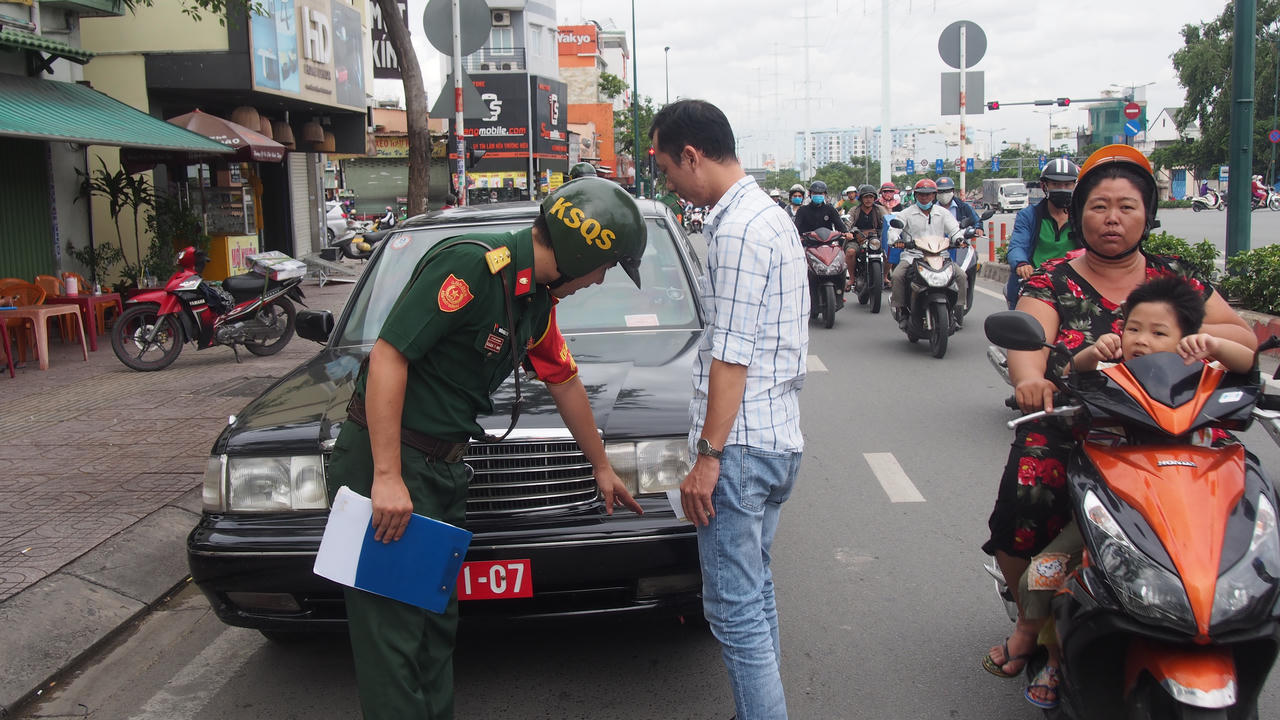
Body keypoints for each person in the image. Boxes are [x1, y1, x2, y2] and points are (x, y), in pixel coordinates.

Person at [327, 177, 648, 720]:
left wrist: (601, 467)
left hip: (440, 471)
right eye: (605, 267)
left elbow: (564, 380)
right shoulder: (473, 267)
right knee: (393, 640)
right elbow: (388, 357)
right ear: (581, 251)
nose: (599, 281)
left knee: (433, 630)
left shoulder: (534, 302)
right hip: (391, 464)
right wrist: (386, 476)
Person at [980, 144, 1257, 710]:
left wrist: (1209, 342)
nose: (1112, 218)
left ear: (1146, 214)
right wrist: (1031, 379)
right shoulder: (1053, 278)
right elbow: (1030, 340)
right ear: (1079, 213)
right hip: (1078, 426)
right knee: (1027, 496)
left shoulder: (1175, 279)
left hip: (1174, 431)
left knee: (1236, 501)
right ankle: (1035, 628)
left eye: (1127, 206)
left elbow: (1242, 337)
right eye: (1099, 206)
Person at [650, 99, 808, 720]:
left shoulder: (738, 230)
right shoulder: (767, 215)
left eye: (667, 169)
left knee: (733, 610)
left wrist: (707, 458)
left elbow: (732, 355)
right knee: (755, 590)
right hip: (776, 438)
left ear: (692, 156)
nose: (668, 183)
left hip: (740, 448)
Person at [888, 178, 966, 326]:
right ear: (916, 195)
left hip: (940, 256)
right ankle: (902, 311)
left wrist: (959, 240)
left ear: (934, 195)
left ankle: (957, 310)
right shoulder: (906, 213)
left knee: (961, 276)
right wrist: (896, 240)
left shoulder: (942, 213)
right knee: (897, 276)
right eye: (921, 194)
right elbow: (893, 230)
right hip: (913, 256)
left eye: (928, 194)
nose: (925, 197)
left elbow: (954, 230)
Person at [1004, 158, 1079, 309]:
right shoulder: (1028, 216)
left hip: (1073, 286)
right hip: (1036, 283)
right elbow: (1017, 246)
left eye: (1067, 184)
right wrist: (1022, 264)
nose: (1062, 189)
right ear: (1044, 186)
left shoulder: (1082, 217)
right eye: (1056, 184)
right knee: (1021, 322)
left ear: (1075, 186)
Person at [843, 184, 886, 288]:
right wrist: (849, 232)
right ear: (861, 198)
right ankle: (852, 278)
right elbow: (848, 224)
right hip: (857, 239)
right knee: (850, 252)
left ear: (874, 198)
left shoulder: (880, 209)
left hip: (876, 240)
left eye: (871, 197)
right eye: (865, 197)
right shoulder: (854, 210)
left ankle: (885, 276)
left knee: (888, 252)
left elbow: (887, 221)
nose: (868, 200)